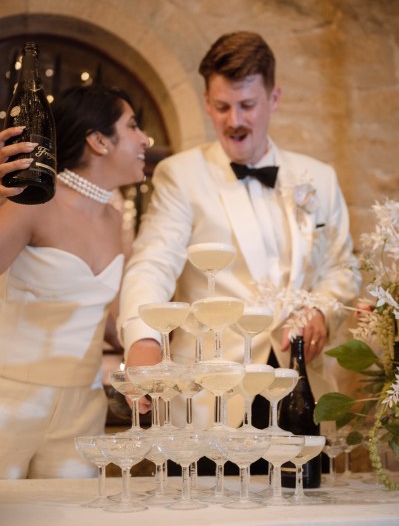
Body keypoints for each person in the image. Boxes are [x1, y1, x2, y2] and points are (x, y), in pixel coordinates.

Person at [118, 31, 361, 436]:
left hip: (300, 389)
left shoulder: (318, 177)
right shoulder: (181, 176)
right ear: (206, 104)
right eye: (222, 106)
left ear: (274, 98)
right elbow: (153, 261)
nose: (235, 121)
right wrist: (144, 339)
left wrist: (321, 310)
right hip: (209, 401)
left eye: (248, 105)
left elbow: (343, 267)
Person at [0, 84, 149, 479]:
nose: (144, 139)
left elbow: (106, 316)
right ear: (99, 140)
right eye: (133, 126)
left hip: (84, 406)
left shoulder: (116, 218)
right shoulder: (32, 202)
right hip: (10, 401)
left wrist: (154, 361)